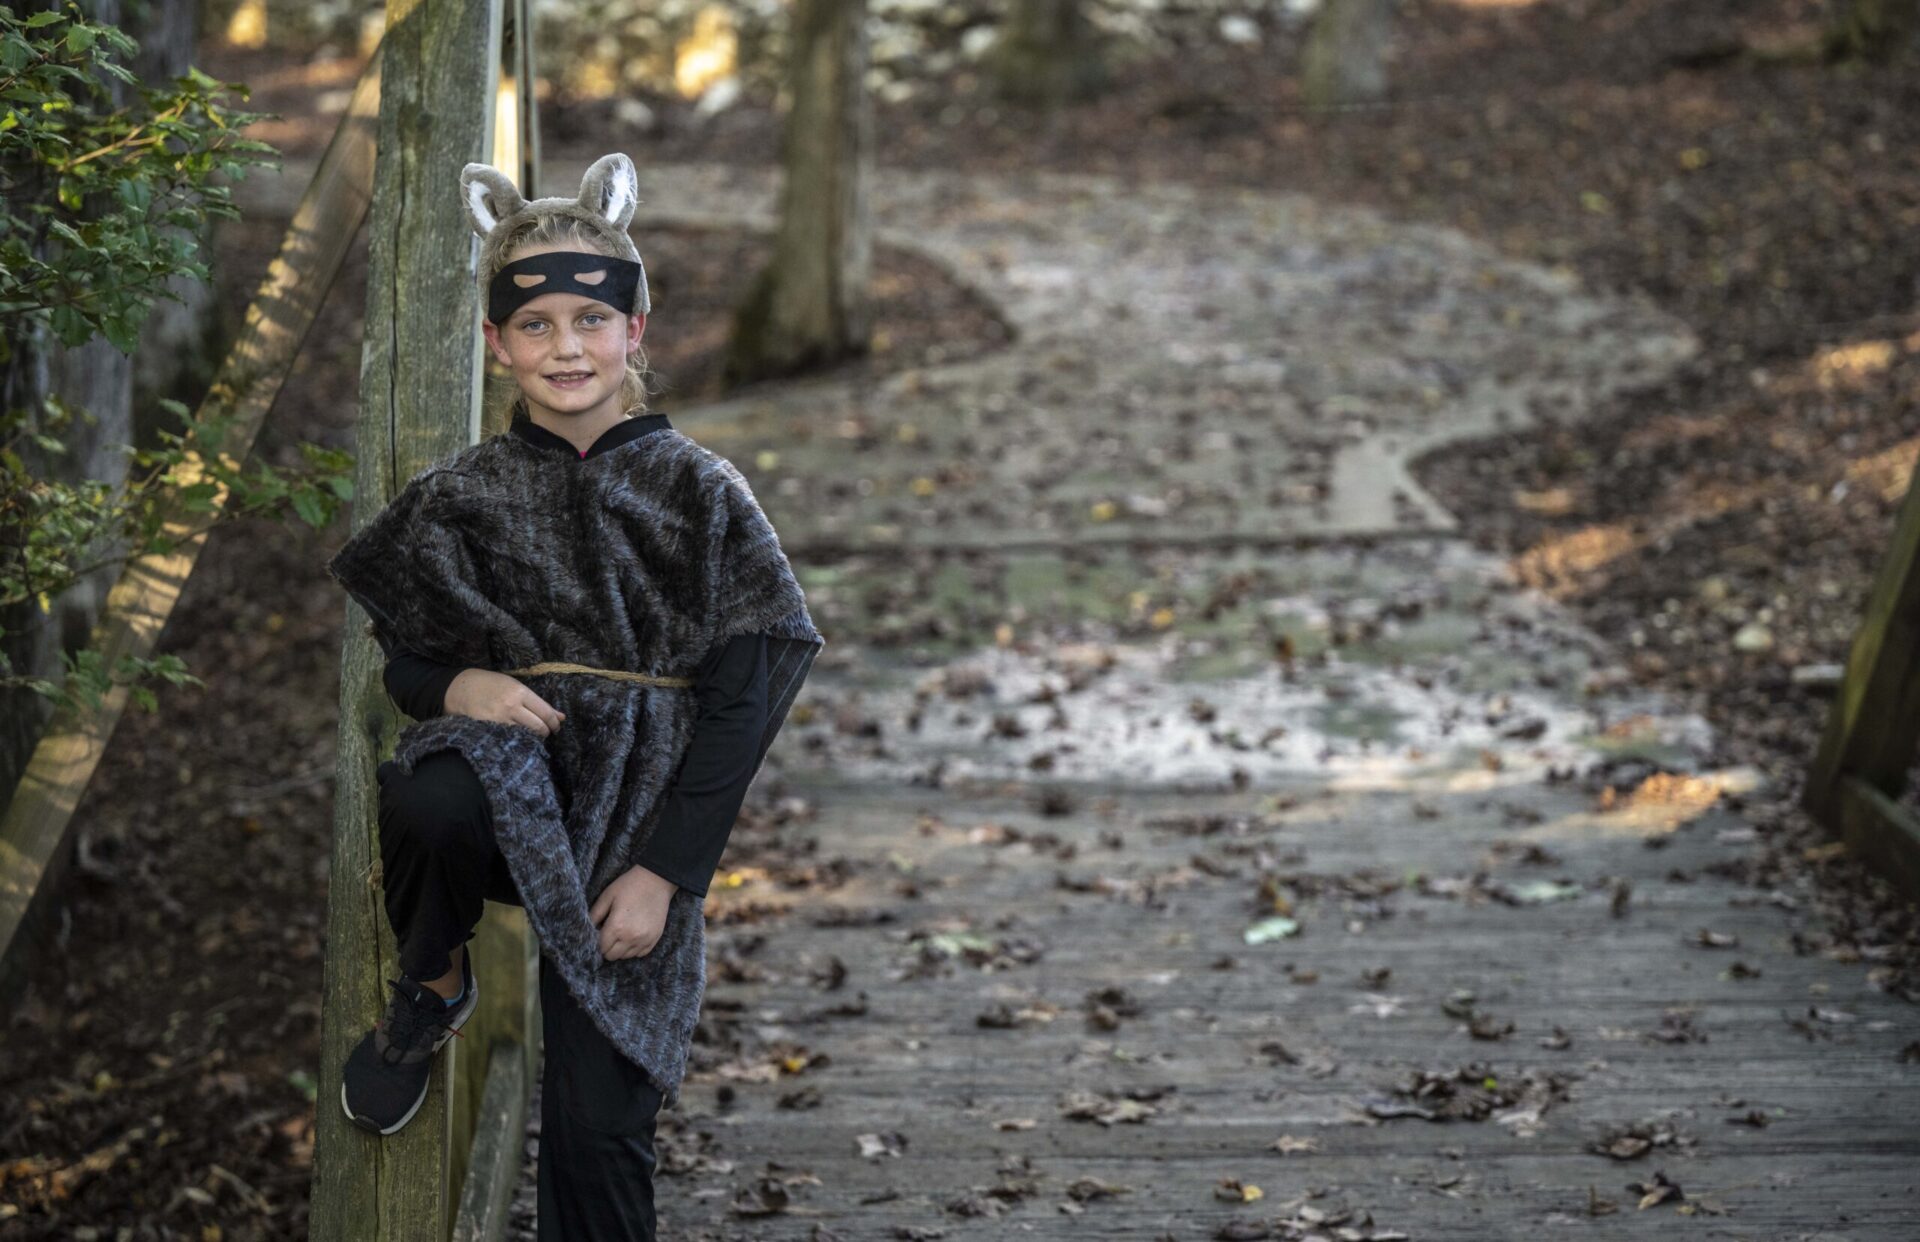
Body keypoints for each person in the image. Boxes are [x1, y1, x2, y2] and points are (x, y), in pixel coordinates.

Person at [327, 154, 823, 1241]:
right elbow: (405, 666)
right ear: (497, 344)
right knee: (427, 793)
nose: (566, 348)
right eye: (537, 326)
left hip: (639, 826)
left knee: (601, 1131)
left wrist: (665, 871)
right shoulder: (463, 496)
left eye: (590, 322)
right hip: (513, 799)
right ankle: (436, 977)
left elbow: (753, 687)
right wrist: (459, 679)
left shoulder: (701, 490)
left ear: (634, 330)